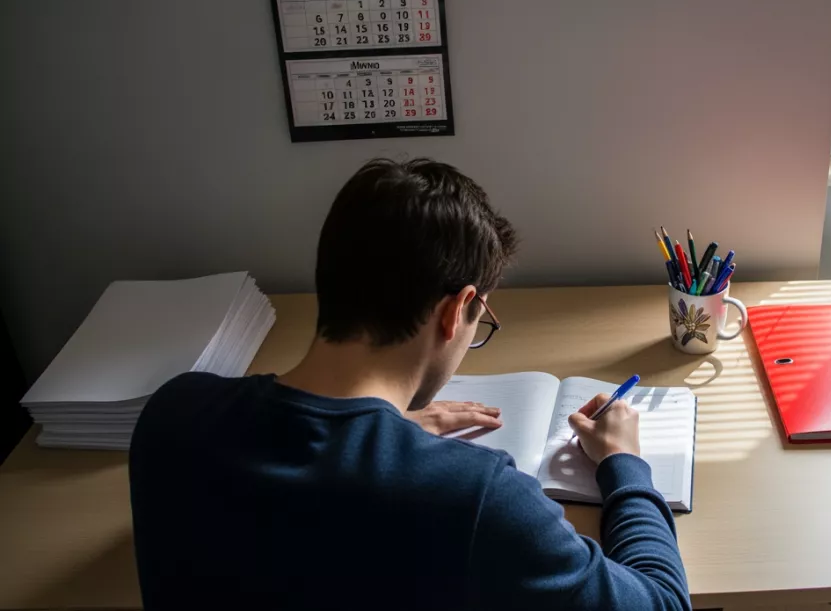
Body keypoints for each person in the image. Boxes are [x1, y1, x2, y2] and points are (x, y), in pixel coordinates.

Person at [129, 158, 690, 611]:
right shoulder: (477, 498)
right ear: (457, 312)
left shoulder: (173, 416)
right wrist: (625, 466)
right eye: (480, 322)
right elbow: (664, 603)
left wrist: (381, 432)